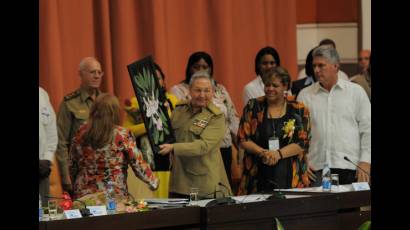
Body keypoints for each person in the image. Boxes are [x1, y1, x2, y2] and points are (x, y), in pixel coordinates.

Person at [297, 46, 371, 185]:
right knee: (319, 207)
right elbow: (298, 134)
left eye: (321, 65)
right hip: (315, 169)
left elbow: (368, 129)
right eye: (314, 66)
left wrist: (366, 161)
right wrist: (302, 161)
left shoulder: (356, 92)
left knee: (351, 207)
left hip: (351, 167)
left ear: (336, 66)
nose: (316, 70)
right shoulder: (304, 95)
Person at [237, 67, 311, 195]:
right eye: (267, 85)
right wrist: (264, 153)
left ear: (285, 86)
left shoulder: (298, 109)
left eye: (275, 85)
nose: (270, 89)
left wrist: (278, 154)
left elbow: (303, 142)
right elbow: (243, 138)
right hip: (257, 176)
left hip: (291, 178)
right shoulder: (253, 106)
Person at [69, 94, 158, 199]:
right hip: (113, 197)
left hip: (84, 197)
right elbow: (138, 165)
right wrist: (153, 182)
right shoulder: (122, 135)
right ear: (114, 113)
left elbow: (72, 165)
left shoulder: (81, 132)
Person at [171, 51, 239, 187]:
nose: (201, 70)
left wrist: (240, 146)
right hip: (189, 147)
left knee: (217, 185)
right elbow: (177, 121)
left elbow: (232, 117)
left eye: (205, 67)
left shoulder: (220, 89)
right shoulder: (179, 90)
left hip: (222, 146)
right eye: (197, 66)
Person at [159, 71, 232, 199]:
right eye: (197, 90)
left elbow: (203, 146)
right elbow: (168, 134)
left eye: (207, 90)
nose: (202, 95)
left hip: (203, 184)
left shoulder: (216, 117)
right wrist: (161, 115)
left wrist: (173, 148)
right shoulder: (179, 109)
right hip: (178, 181)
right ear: (189, 91)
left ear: (213, 92)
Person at [123, 63, 178, 198]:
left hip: (170, 160)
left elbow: (178, 126)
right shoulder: (135, 102)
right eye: (152, 78)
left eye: (158, 78)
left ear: (163, 81)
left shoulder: (173, 99)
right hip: (146, 163)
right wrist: (150, 126)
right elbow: (126, 132)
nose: (155, 81)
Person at [56, 57, 106, 194]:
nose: (97, 76)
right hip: (81, 174)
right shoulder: (69, 103)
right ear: (81, 74)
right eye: (92, 72)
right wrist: (65, 175)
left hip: (107, 174)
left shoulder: (106, 102)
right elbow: (60, 142)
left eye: (99, 72)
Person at [39, 87, 58, 206]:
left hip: (41, 170)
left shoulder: (41, 94)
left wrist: (47, 159)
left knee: (44, 218)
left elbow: (51, 130)